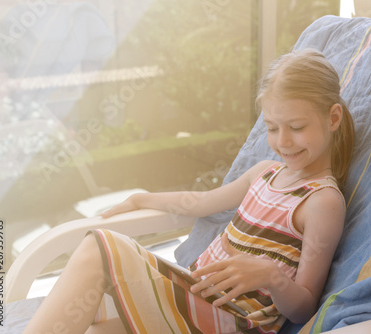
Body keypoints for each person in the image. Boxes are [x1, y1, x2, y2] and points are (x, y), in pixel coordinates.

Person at [23, 48, 354, 334]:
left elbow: (306, 307)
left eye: (297, 127)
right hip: (195, 300)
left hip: (232, 320)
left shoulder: (322, 201)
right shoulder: (264, 173)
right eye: (271, 127)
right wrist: (143, 197)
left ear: (333, 118)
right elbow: (200, 202)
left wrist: (271, 277)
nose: (282, 141)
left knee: (101, 247)